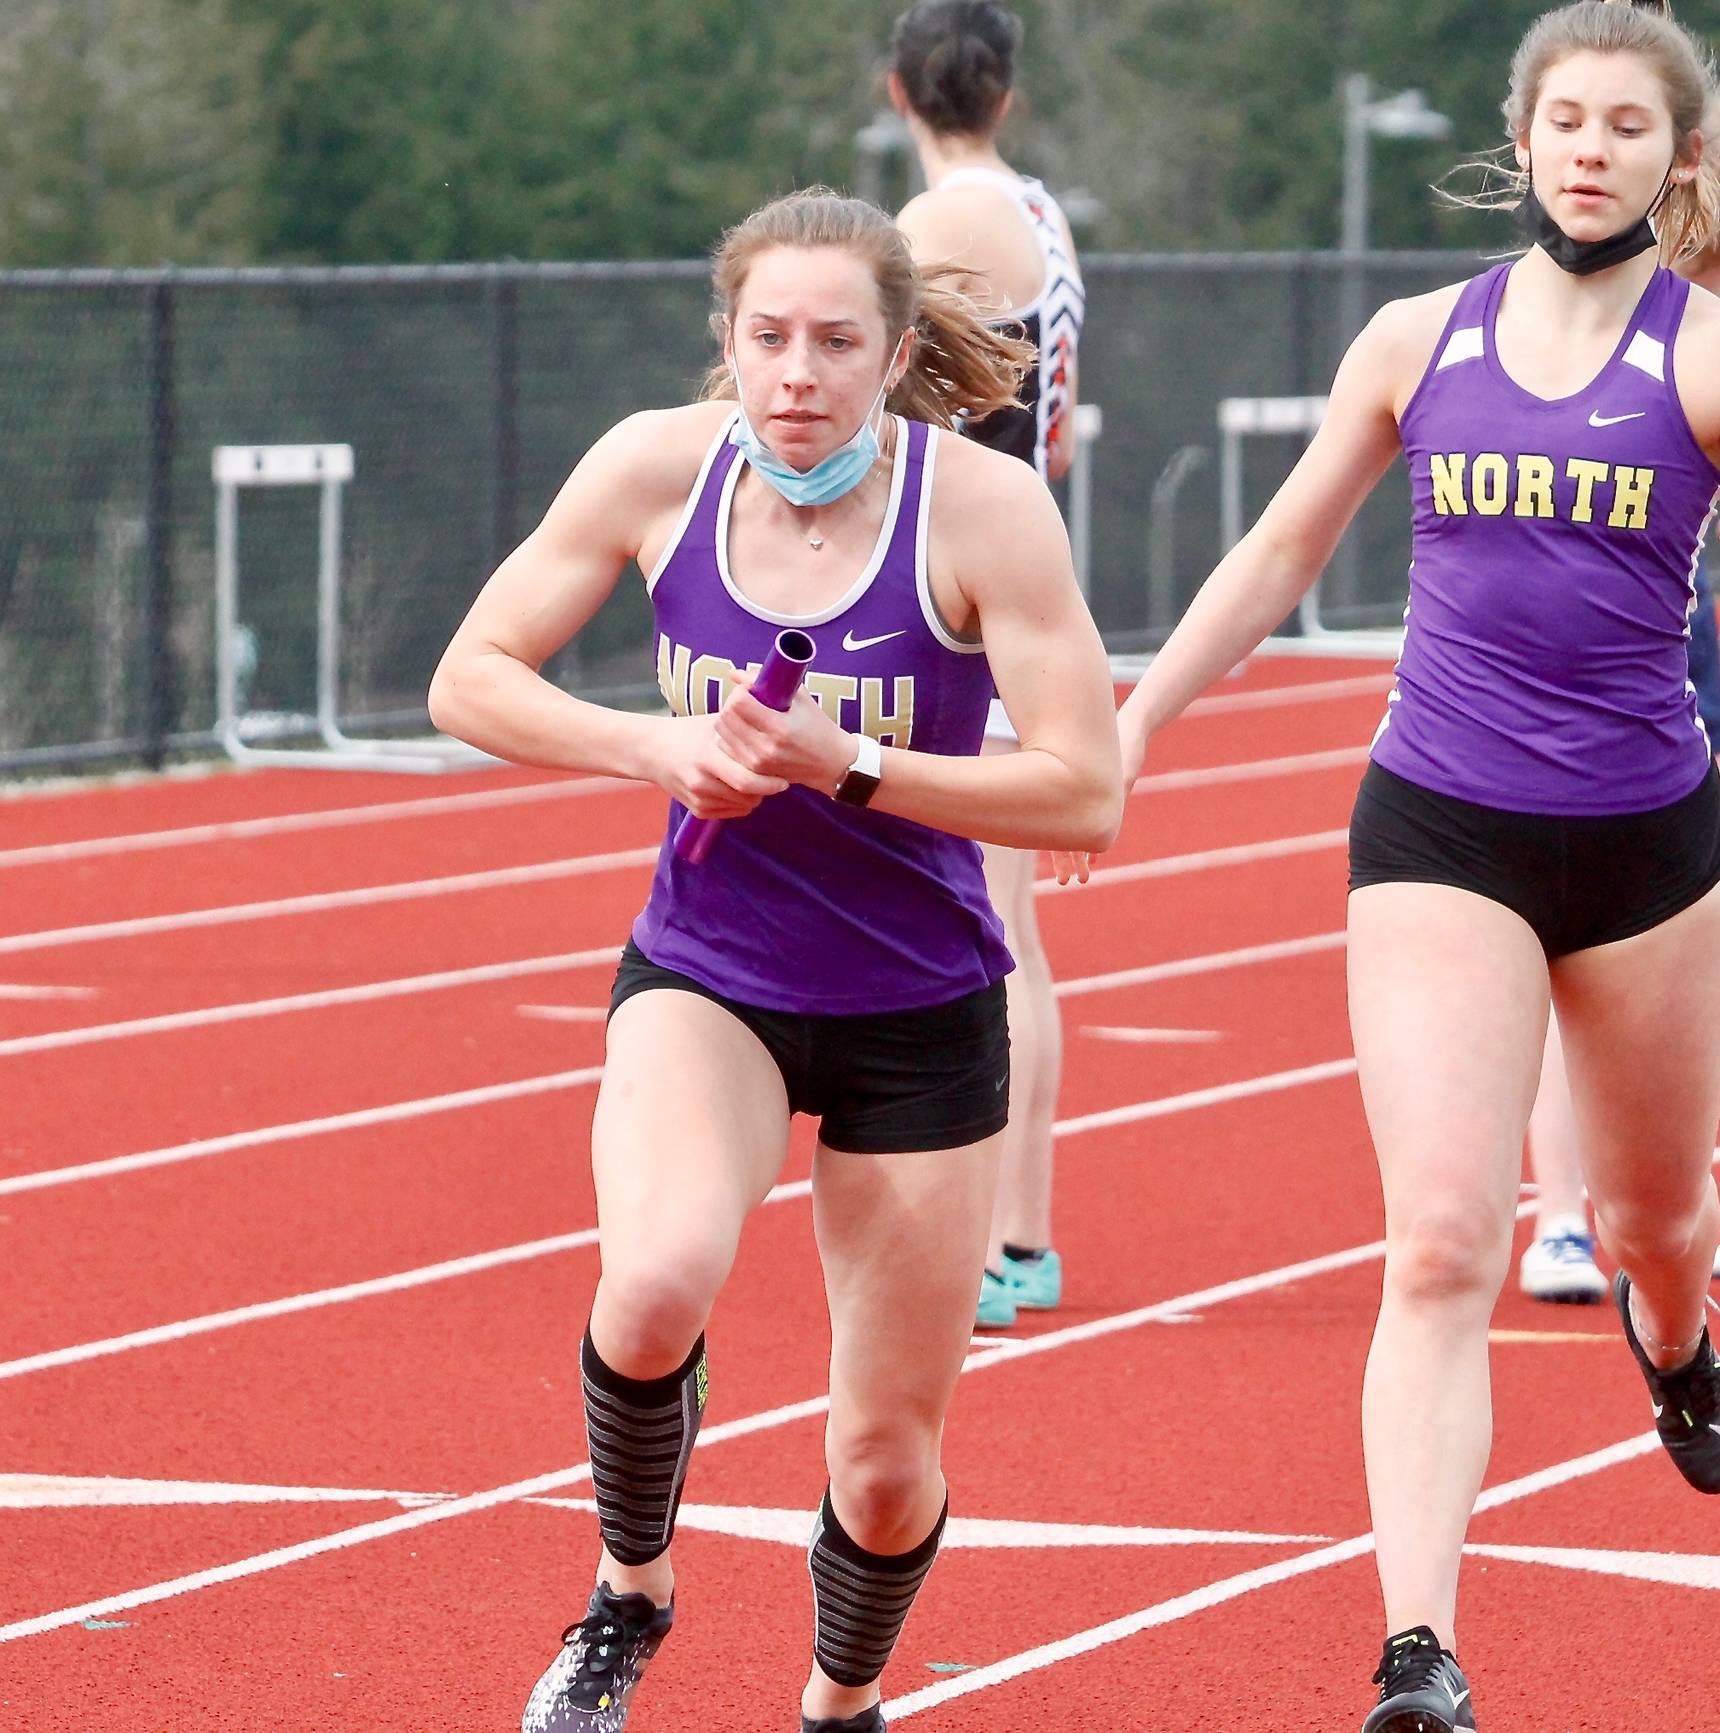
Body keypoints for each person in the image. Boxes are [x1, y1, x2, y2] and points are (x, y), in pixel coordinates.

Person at [1098, 4, 1720, 1726]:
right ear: (1521, 139)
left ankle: (1674, 1334)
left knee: (1649, 1215)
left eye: (1628, 124)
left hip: (1643, 850)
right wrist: (1135, 713)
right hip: (1436, 825)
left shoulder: (1715, 357)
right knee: (1443, 1237)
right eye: (1566, 119)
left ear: (1675, 161)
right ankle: (1416, 1650)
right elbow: (1278, 547)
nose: (1592, 147)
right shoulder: (1414, 338)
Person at [428, 186, 1121, 1733]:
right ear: (725, 345)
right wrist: (656, 745)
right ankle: (629, 1590)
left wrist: (845, 767)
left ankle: (842, 1696)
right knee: (657, 1276)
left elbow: (1089, 788)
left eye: (833, 341)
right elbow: (467, 679)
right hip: (712, 971)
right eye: (766, 339)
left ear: (892, 354)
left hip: (925, 1007)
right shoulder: (657, 470)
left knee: (883, 1461)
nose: (796, 372)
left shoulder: (983, 511)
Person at [1518, 95, 1720, 1303]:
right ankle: (1565, 1213)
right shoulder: (1653, 314)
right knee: (1602, 931)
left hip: (1664, 632)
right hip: (1630, 650)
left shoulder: (1714, 335)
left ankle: (1641, 1203)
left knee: (1653, 938)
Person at [887, 0, 1089, 1331]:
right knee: (1008, 930)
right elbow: (1049, 425)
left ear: (898, 92)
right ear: (1005, 96)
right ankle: (1018, 1237)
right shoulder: (1045, 217)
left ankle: (981, 1243)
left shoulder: (930, 231)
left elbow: (885, 401)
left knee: (974, 934)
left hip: (960, 592)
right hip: (1023, 563)